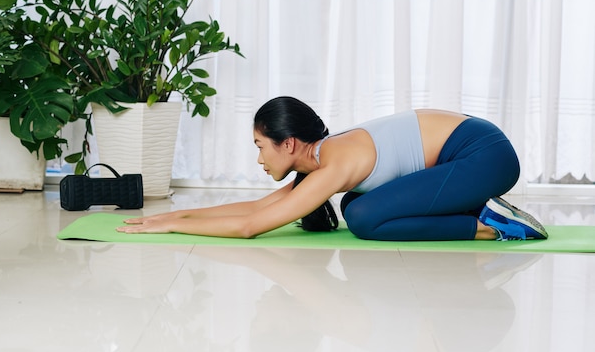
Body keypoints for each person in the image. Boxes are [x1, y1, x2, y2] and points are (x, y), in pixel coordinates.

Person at [117, 96, 548, 241]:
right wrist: (171, 215)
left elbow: (252, 227)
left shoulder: (333, 164)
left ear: (289, 144)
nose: (259, 159)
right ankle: (482, 211)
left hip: (484, 156)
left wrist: (172, 227)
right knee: (360, 207)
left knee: (362, 216)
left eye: (260, 147)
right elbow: (257, 209)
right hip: (471, 156)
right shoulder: (322, 158)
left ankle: (492, 224)